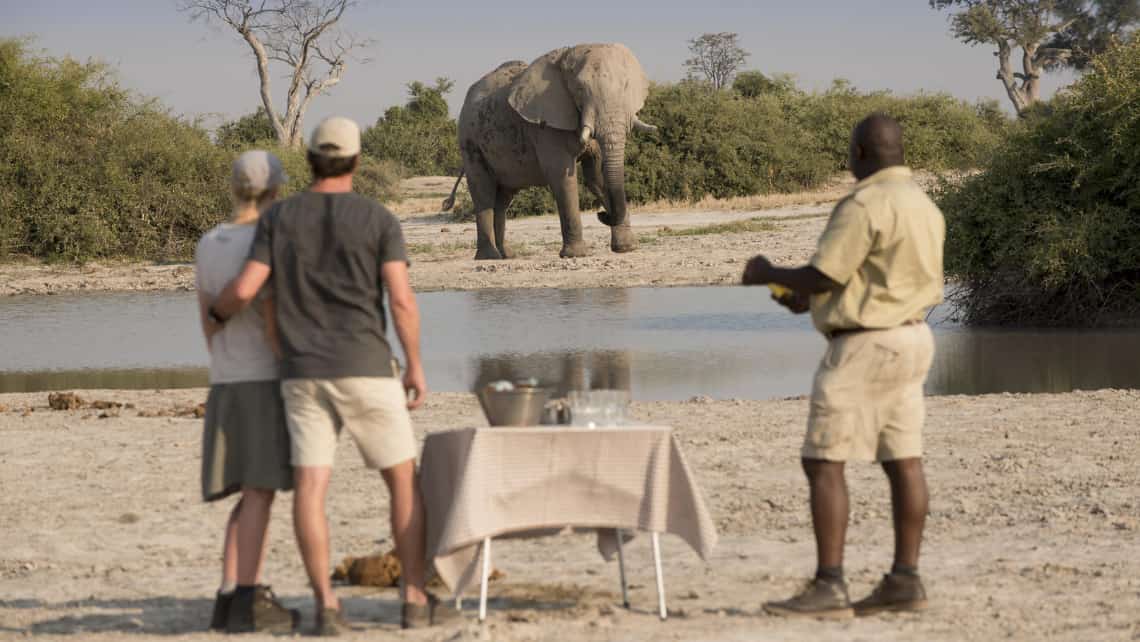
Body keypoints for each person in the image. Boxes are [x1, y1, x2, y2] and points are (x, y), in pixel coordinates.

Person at [208, 117, 455, 635]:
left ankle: (327, 607)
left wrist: (217, 314)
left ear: (311, 161)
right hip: (367, 365)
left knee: (311, 489)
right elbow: (402, 301)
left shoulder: (280, 219)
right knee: (403, 482)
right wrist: (414, 364)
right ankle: (412, 597)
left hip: (302, 373)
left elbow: (247, 288)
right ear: (357, 161)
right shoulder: (378, 218)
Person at [742, 113, 944, 619]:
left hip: (864, 347)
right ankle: (905, 580)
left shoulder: (864, 203)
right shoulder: (925, 205)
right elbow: (862, 279)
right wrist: (802, 297)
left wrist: (766, 272)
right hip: (914, 339)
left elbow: (822, 273)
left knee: (823, 459)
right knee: (904, 457)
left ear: (858, 153)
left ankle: (829, 584)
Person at [195, 150, 299, 633]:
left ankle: (226, 595)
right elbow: (275, 321)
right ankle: (246, 601)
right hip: (262, 378)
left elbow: (208, 321)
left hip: (224, 376)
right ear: (276, 190)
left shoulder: (208, 243)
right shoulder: (269, 240)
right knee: (259, 493)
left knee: (247, 494)